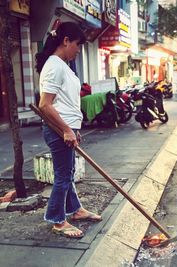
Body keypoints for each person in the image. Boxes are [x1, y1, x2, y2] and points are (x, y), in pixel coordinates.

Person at [35, 22, 102, 238]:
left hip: (65, 128)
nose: (78, 49)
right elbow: (45, 104)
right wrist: (65, 129)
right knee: (63, 176)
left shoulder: (62, 65)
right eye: (77, 44)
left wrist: (73, 128)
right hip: (57, 129)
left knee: (68, 173)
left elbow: (65, 103)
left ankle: (76, 210)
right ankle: (57, 220)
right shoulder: (54, 65)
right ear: (66, 41)